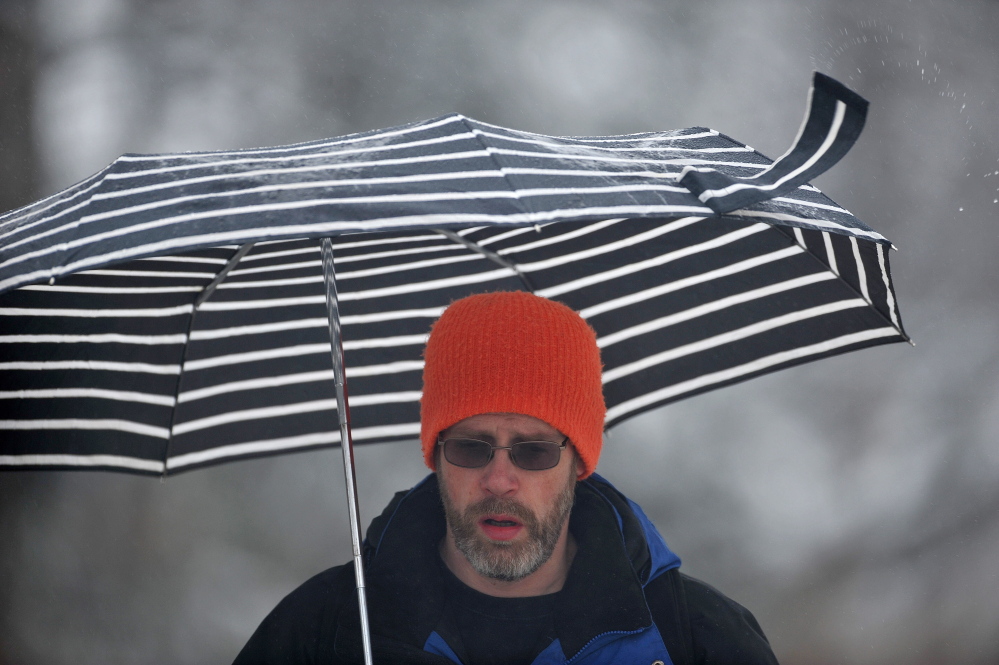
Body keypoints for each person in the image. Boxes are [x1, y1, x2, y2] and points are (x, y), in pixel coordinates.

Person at [234, 291, 779, 665]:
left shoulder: (695, 638)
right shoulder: (323, 631)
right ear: (436, 454)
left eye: (534, 451)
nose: (499, 479)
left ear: (579, 462)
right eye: (471, 447)